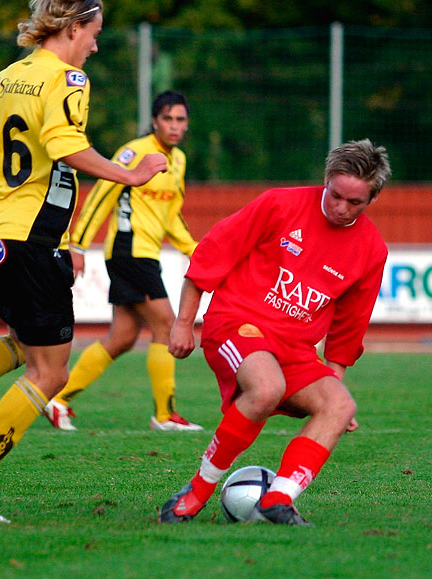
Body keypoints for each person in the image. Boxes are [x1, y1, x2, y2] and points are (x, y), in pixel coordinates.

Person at [0, 0, 167, 523]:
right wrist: (132, 175)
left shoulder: (5, 79)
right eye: (94, 34)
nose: (95, 46)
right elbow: (66, 145)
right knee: (50, 373)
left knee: (22, 345)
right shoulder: (69, 79)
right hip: (30, 239)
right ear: (74, 29)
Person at [158, 139, 391, 526]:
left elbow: (349, 328)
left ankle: (278, 499)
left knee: (340, 404)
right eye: (336, 196)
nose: (341, 208)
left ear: (372, 199)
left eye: (355, 203)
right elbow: (211, 254)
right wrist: (184, 322)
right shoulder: (279, 204)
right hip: (236, 322)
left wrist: (334, 383)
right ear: (326, 180)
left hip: (294, 348)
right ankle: (196, 491)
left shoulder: (371, 250)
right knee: (266, 389)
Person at [45, 91, 202, 432]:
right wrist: (79, 245)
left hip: (145, 254)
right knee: (166, 325)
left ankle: (58, 400)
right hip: (129, 251)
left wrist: (194, 248)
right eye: (168, 119)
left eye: (180, 120)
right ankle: (165, 416)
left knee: (123, 337)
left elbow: (171, 215)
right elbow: (103, 194)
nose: (174, 126)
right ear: (155, 121)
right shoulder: (135, 152)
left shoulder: (178, 161)